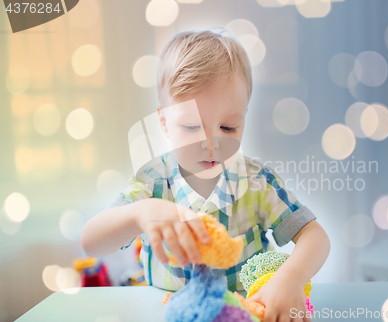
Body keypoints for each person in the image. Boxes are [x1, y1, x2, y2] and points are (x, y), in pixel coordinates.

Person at [81, 28, 330, 321]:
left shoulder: (257, 182)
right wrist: (141, 212)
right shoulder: (153, 183)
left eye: (228, 128)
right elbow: (91, 240)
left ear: (244, 117)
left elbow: (315, 237)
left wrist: (290, 278)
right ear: (164, 122)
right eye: (191, 127)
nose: (212, 143)